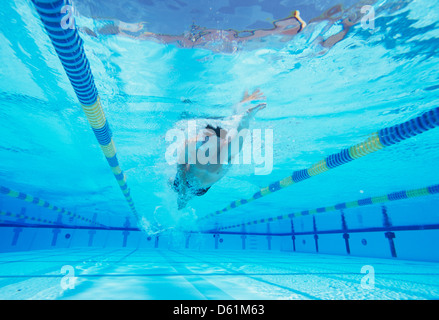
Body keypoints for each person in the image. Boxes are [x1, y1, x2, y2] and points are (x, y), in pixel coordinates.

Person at [170, 89, 266, 209]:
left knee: (232, 150)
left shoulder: (222, 147)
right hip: (188, 181)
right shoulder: (195, 142)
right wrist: (183, 190)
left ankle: (242, 114)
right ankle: (177, 189)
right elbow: (181, 164)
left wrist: (246, 117)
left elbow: (238, 138)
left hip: (200, 185)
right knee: (175, 187)